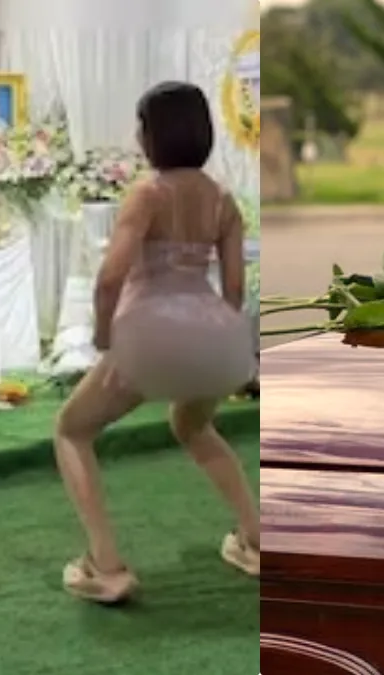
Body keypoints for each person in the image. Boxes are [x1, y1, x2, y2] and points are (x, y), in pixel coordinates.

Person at [54, 81, 259, 604]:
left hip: (149, 331)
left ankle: (106, 563)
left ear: (153, 135)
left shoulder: (148, 193)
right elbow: (234, 287)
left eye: (140, 126)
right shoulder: (223, 200)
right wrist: (216, 338)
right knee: (192, 424)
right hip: (217, 332)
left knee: (72, 430)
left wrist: (105, 337)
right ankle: (257, 538)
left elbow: (109, 278)